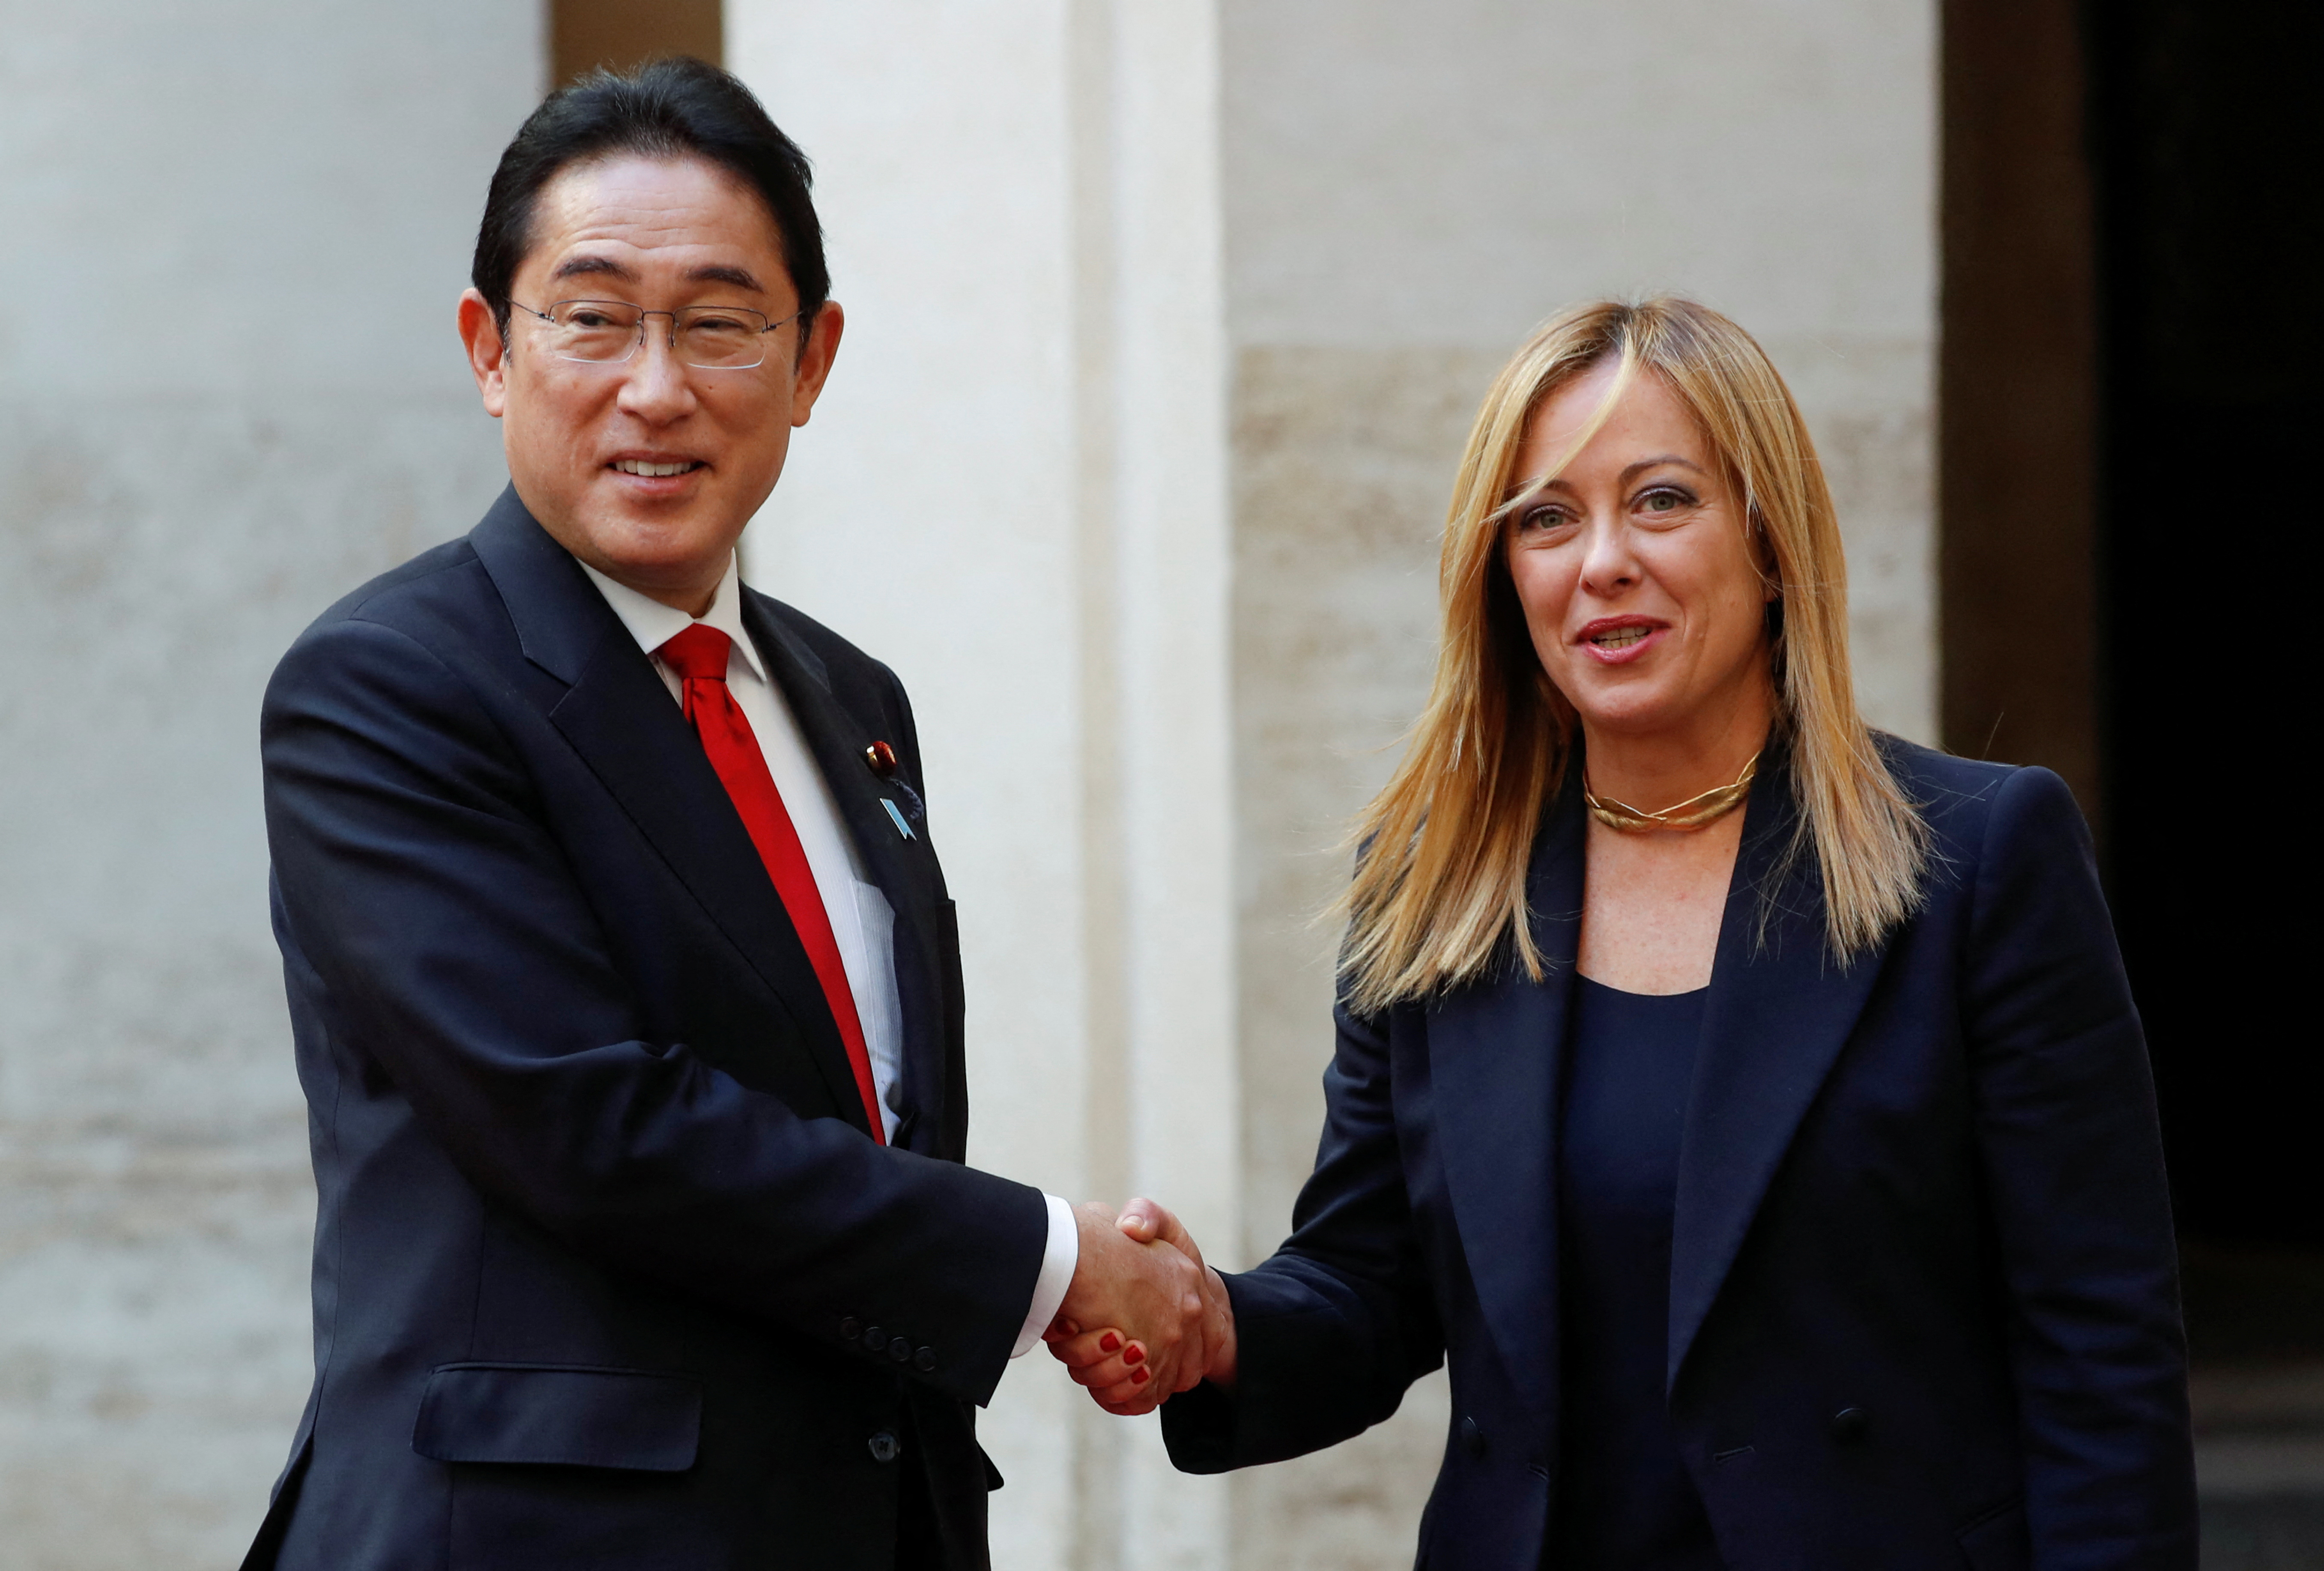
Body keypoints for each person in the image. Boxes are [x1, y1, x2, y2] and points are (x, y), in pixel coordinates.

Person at [242, 58, 1202, 1571]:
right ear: (491, 350)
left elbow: (863, 1117)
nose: (655, 386)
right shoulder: (388, 686)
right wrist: (1053, 1259)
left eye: (718, 321)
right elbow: (594, 1126)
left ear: (811, 361)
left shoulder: (851, 699)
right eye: (592, 315)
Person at [1056, 297, 2197, 1568]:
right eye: (1546, 517)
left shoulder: (1977, 859)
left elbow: (2101, 1353)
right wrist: (1213, 1323)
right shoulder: (1434, 888)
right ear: (1504, 578)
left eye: (1659, 499)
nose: (1600, 559)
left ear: (1767, 538)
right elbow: (1370, 1286)